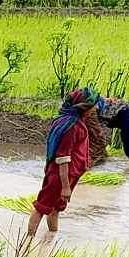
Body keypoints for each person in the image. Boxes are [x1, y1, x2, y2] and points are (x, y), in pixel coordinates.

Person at [25, 88, 97, 247]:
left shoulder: (74, 122)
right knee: (42, 207)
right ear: (84, 107)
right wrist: (65, 186)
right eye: (93, 105)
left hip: (67, 176)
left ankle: (50, 239)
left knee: (55, 207)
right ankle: (26, 244)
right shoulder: (71, 126)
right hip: (60, 176)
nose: (96, 108)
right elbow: (62, 157)